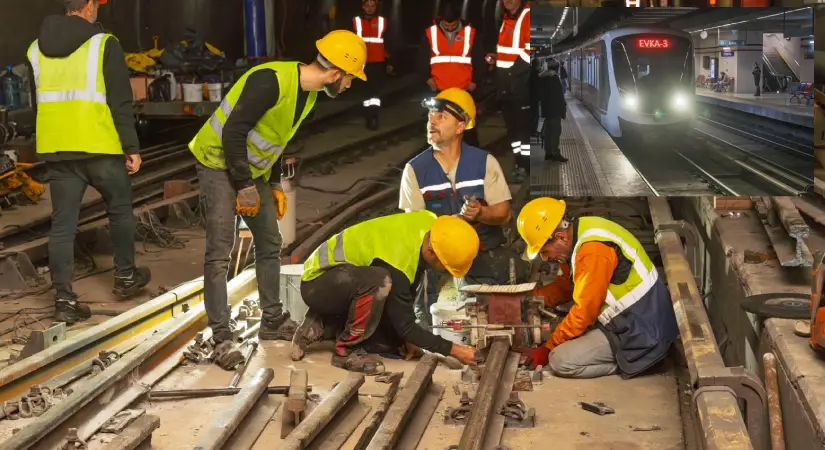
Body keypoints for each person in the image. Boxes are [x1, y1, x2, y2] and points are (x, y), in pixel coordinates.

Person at [187, 30, 368, 370]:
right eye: (349, 79)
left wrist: (271, 184)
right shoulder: (270, 81)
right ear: (335, 73)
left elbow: (274, 138)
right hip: (216, 161)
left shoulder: (309, 95)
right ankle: (221, 335)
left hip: (250, 167)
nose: (348, 86)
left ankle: (271, 320)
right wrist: (244, 186)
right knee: (219, 252)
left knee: (270, 241)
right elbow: (233, 133)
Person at [27, 0, 151, 325]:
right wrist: (131, 147)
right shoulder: (103, 43)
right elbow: (119, 101)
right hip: (100, 146)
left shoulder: (35, 49)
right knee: (120, 210)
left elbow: (35, 101)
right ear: (89, 6)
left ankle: (64, 300)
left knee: (62, 226)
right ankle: (126, 278)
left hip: (58, 149)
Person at [292, 211, 480, 374]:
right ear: (431, 251)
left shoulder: (431, 225)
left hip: (341, 279)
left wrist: (409, 340)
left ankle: (324, 322)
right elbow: (405, 325)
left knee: (387, 344)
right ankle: (345, 351)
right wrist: (457, 351)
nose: (444, 272)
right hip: (317, 284)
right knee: (379, 281)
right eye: (444, 266)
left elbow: (407, 290)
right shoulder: (397, 260)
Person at [399, 88, 526, 325]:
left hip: (483, 252)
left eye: (441, 116)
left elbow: (504, 214)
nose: (432, 122)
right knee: (428, 319)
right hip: (438, 260)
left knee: (499, 313)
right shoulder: (415, 169)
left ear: (461, 126)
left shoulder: (483, 162)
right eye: (430, 116)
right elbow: (414, 227)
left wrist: (481, 213)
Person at [517, 197, 678, 379]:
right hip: (636, 319)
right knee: (562, 330)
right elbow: (568, 286)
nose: (545, 258)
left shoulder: (592, 251)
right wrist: (532, 298)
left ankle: (636, 361)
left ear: (560, 238)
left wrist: (548, 348)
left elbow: (584, 312)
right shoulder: (579, 233)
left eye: (544, 251)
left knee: (560, 360)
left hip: (642, 330)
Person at [420, 0, 485, 147]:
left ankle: (470, 156)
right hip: (439, 89)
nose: (449, 28)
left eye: (453, 25)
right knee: (438, 125)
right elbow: (422, 58)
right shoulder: (430, 33)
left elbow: (479, 58)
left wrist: (476, 80)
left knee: (467, 128)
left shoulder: (471, 33)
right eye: (446, 25)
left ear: (458, 20)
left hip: (464, 90)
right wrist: (427, 78)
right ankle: (438, 156)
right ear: (440, 20)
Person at [486, 0, 531, 181]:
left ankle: (526, 166)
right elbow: (510, 49)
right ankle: (519, 163)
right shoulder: (507, 18)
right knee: (513, 130)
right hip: (507, 86)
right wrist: (496, 58)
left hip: (521, 85)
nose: (507, 1)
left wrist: (512, 71)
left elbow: (530, 50)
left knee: (523, 130)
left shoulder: (527, 16)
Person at [353, 0, 393, 130]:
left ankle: (374, 117)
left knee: (375, 91)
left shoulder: (383, 22)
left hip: (378, 62)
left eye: (372, 6)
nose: (370, 8)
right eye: (367, 5)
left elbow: (389, 42)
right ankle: (368, 116)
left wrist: (390, 61)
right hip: (362, 62)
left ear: (376, 7)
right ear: (363, 6)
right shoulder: (355, 21)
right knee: (365, 92)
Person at [538, 58, 568, 162]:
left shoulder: (543, 78)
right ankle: (555, 153)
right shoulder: (554, 78)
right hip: (555, 110)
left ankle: (548, 153)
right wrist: (563, 111)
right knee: (555, 132)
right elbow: (558, 96)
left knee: (548, 132)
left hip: (546, 110)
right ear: (556, 68)